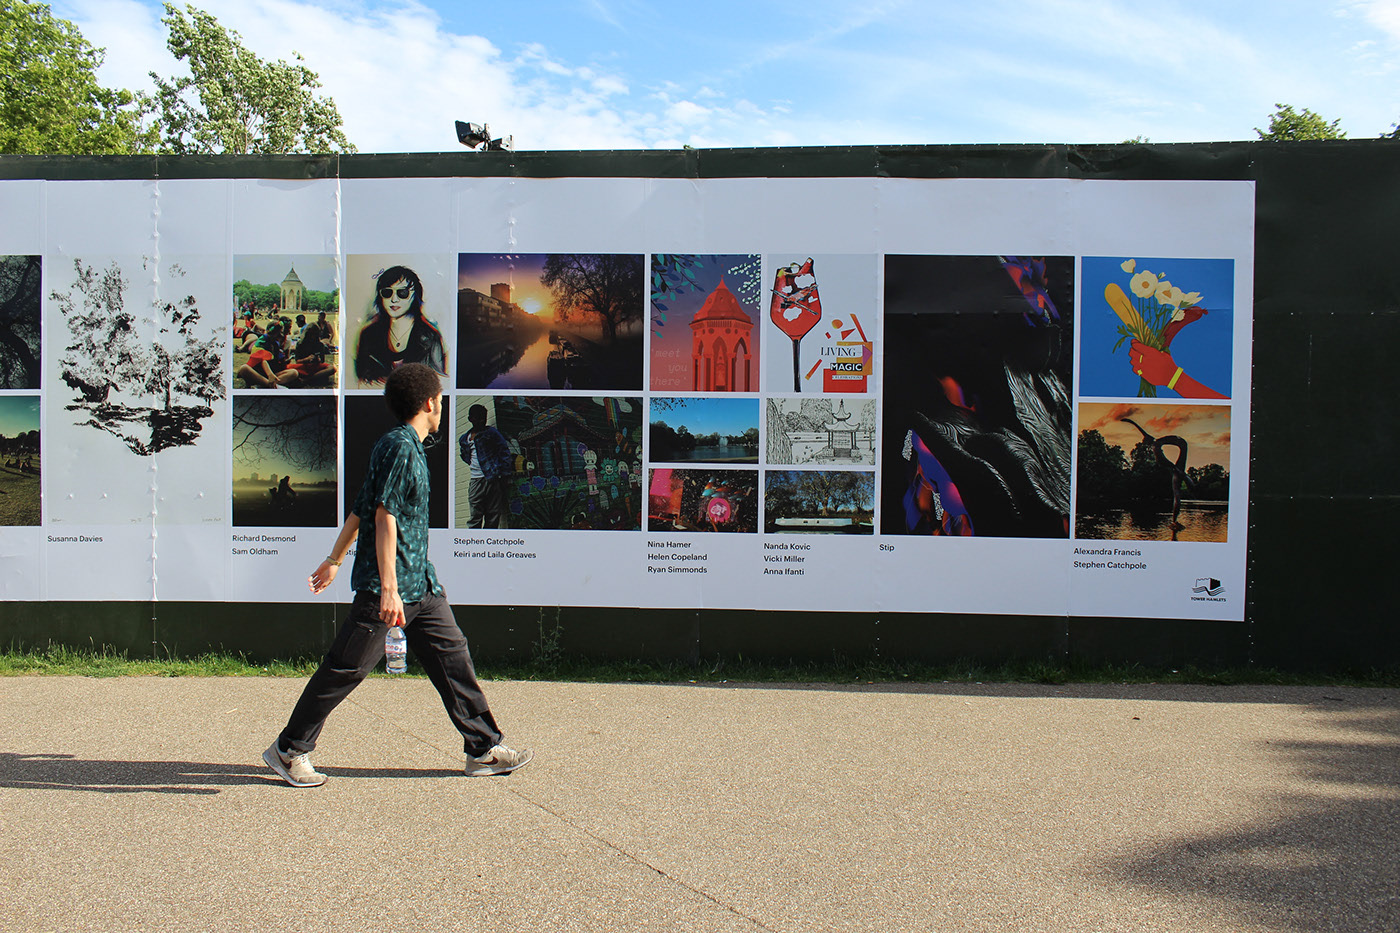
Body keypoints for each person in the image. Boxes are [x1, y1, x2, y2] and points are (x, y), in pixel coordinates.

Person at [263, 363, 531, 787]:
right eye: (440, 399)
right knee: (346, 668)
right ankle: (288, 749)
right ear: (430, 402)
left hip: (420, 585)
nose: (442, 406)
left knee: (453, 658)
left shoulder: (403, 445)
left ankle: (482, 749)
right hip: (388, 587)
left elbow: (361, 506)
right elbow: (383, 514)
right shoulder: (400, 447)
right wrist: (388, 588)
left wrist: (334, 559)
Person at [353, 265, 448, 387]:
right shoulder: (368, 335)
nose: (394, 299)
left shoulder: (429, 337)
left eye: (402, 293)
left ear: (415, 295)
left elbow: (438, 383)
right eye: (387, 292)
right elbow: (361, 380)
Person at [459, 403, 514, 529]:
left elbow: (504, 451)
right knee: (475, 515)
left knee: (493, 515)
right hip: (476, 480)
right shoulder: (464, 439)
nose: (482, 421)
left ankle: (488, 539)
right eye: (478, 418)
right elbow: (465, 455)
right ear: (470, 419)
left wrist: (505, 474)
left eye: (484, 418)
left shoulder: (491, 433)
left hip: (492, 478)